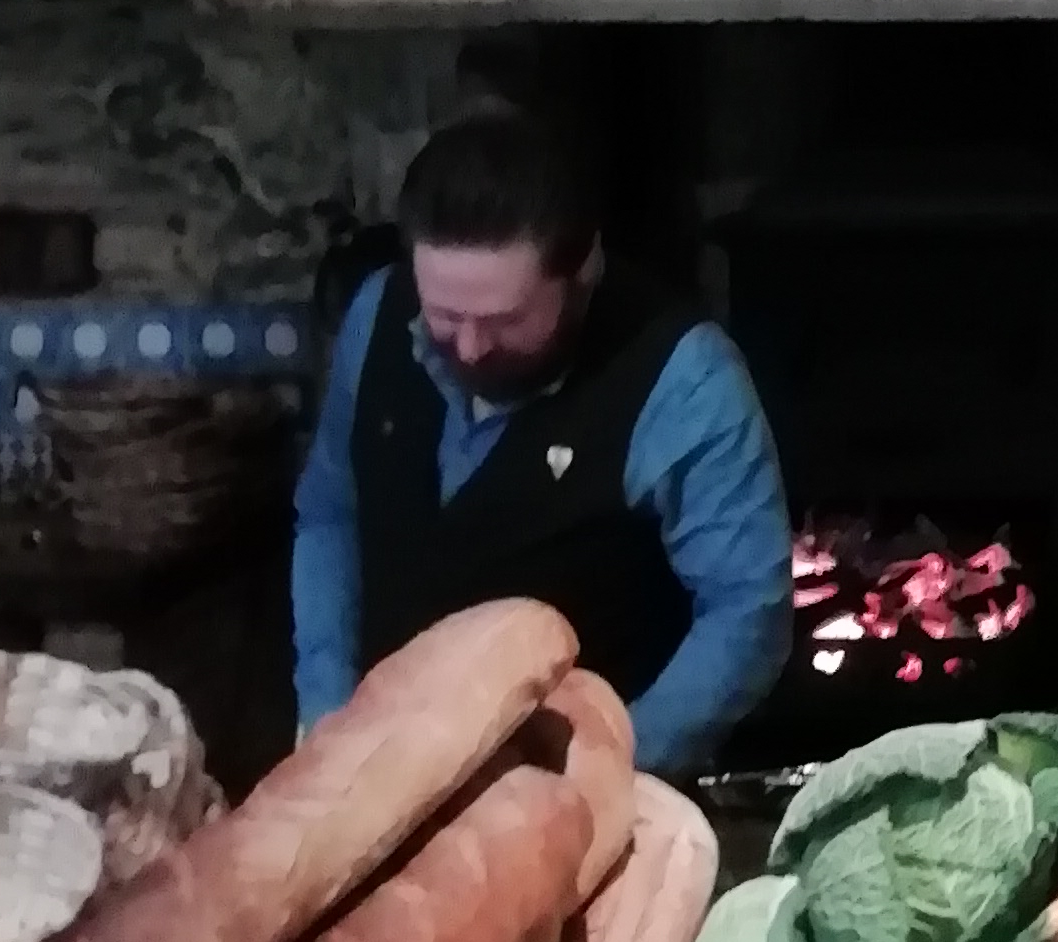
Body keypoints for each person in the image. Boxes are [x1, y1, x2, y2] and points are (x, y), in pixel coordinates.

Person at [292, 109, 794, 780]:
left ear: (583, 269)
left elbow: (747, 613)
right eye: (444, 314)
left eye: (505, 320)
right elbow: (330, 513)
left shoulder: (685, 378)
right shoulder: (375, 310)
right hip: (383, 765)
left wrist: (607, 770)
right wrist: (325, 705)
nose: (471, 346)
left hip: (580, 782)